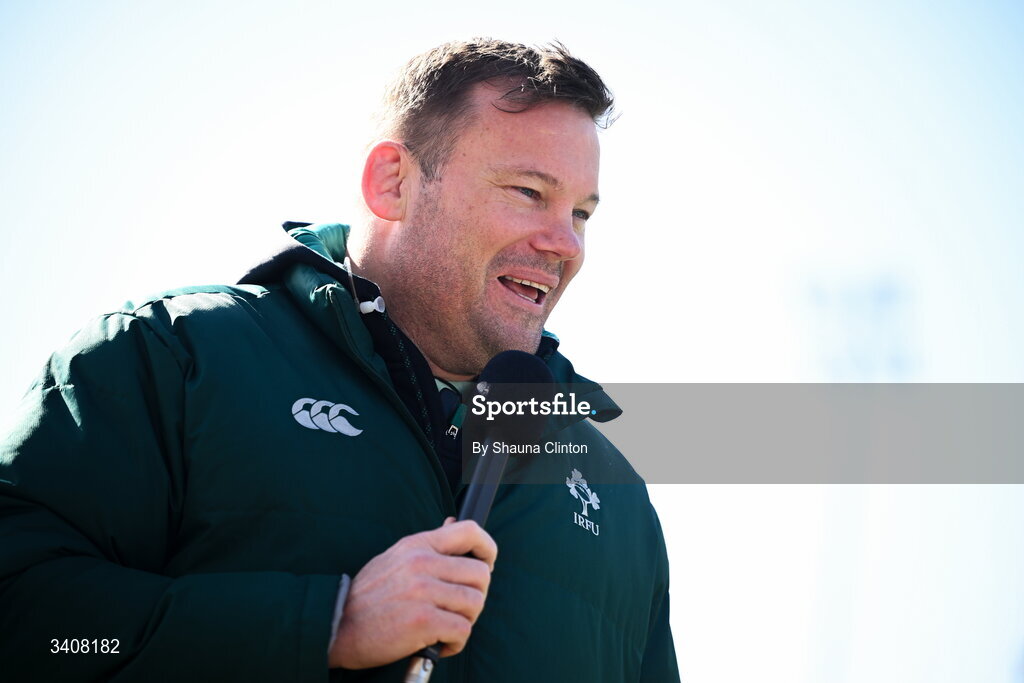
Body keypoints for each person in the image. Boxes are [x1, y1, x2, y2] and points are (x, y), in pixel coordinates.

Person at [0, 39, 679, 681]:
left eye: (582, 213)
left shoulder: (615, 494)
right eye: (528, 193)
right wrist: (326, 624)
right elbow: (30, 626)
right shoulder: (169, 356)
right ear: (393, 183)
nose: (565, 244)